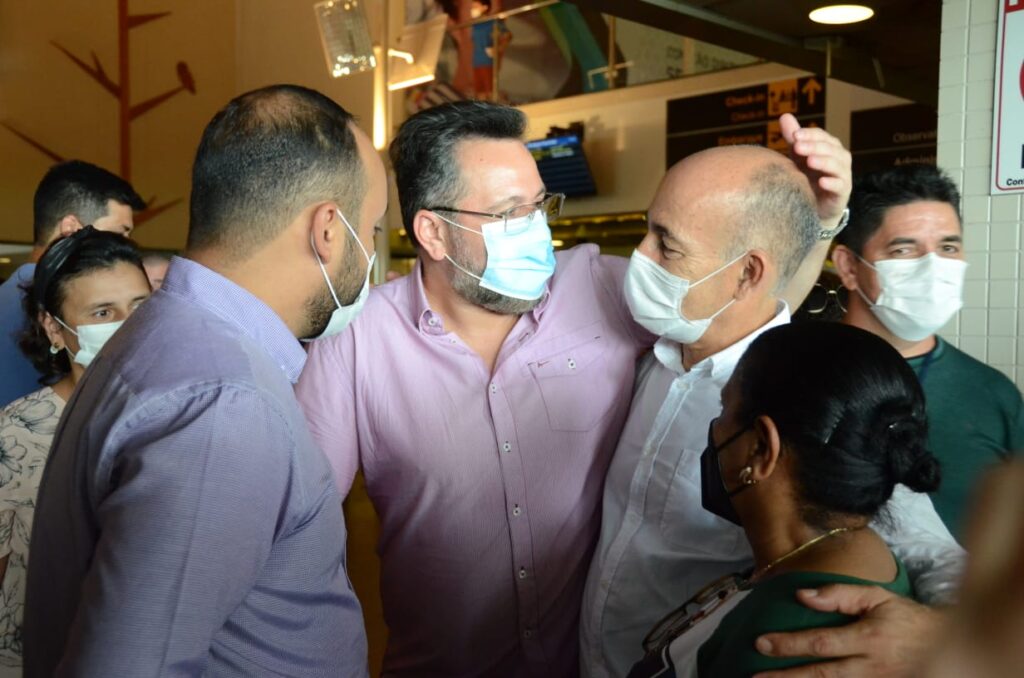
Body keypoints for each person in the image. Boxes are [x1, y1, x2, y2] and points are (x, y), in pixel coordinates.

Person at [296, 102, 825, 676]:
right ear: (433, 232)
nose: (536, 229)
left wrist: (816, 223)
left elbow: (742, 311)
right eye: (509, 213)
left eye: (539, 204)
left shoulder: (602, 289)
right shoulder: (357, 339)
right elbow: (298, 529)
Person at [23, 84, 386, 677]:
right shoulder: (223, 402)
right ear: (328, 229)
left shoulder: (172, 337)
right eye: (370, 230)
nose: (369, 253)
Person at [580, 121, 965, 678]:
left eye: (667, 243)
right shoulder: (653, 353)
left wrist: (946, 638)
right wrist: (824, 221)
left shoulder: (805, 396)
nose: (639, 256)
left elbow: (931, 549)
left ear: (746, 274)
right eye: (647, 229)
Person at [628, 322, 940, 678]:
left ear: (761, 448)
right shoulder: (858, 553)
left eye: (724, 409)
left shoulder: (781, 644)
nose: (716, 426)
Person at [831, 164, 1024, 538]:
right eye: (904, 249)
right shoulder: (800, 377)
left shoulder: (993, 394)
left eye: (948, 247)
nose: (933, 267)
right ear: (849, 266)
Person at [0, 228, 151, 674]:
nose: (127, 325)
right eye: (103, 312)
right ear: (54, 327)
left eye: (140, 306)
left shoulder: (175, 419)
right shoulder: (16, 434)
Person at [0, 160, 144, 407]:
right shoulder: (45, 304)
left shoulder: (7, 294)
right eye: (119, 233)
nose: (122, 246)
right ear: (70, 229)